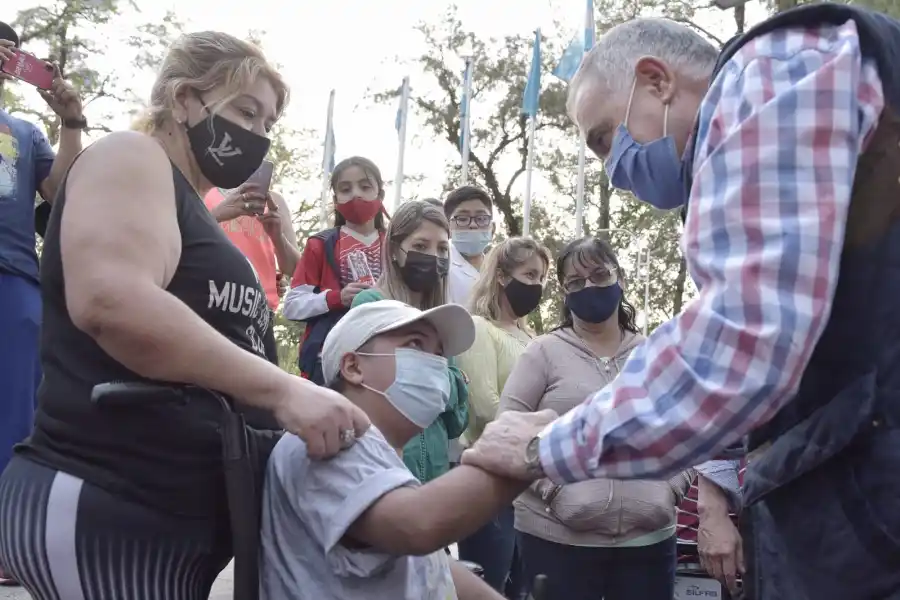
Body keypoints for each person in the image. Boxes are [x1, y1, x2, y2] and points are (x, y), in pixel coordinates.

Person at [462, 6, 900, 600]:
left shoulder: (767, 77)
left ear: (656, 80)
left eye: (603, 138)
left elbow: (740, 347)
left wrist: (545, 446)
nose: (613, 172)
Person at [0, 31, 369, 600]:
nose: (258, 135)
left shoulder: (191, 211)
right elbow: (111, 300)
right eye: (246, 110)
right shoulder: (130, 155)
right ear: (184, 100)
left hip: (169, 533)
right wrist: (283, 391)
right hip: (108, 507)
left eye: (268, 124)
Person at [260, 299, 554, 599]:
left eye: (439, 353)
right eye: (415, 344)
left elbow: (430, 566)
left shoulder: (380, 452)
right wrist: (532, 450)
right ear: (353, 366)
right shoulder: (327, 436)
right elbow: (416, 526)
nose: (437, 364)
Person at [498, 236, 691, 600]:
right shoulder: (543, 353)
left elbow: (690, 429)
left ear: (620, 279)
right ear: (564, 293)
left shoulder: (656, 354)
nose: (588, 287)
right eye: (575, 282)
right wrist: (553, 489)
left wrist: (669, 490)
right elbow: (508, 431)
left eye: (600, 275)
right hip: (554, 540)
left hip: (648, 543)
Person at [0, 23, 85, 585]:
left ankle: (8, 544)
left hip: (13, 281)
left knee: (16, 411)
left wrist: (72, 121)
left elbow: (65, 188)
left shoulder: (23, 131)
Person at [454, 236, 550, 595]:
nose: (536, 285)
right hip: (491, 485)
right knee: (490, 585)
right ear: (501, 277)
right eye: (529, 274)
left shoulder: (531, 338)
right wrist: (540, 442)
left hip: (532, 484)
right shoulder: (480, 329)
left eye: (541, 277)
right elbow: (483, 406)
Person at [351, 200, 469, 483]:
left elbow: (457, 419)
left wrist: (448, 384)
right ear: (394, 250)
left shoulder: (443, 319)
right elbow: (384, 385)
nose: (433, 256)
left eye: (442, 249)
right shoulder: (370, 303)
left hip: (437, 470)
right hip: (385, 466)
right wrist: (452, 381)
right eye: (420, 246)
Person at [283, 156, 387, 384]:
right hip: (329, 357)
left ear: (380, 194)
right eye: (345, 189)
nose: (356, 195)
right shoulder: (320, 244)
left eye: (365, 186)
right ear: (335, 199)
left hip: (386, 352)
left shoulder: (396, 245)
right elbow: (292, 306)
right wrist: (337, 298)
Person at [445, 185, 494, 306]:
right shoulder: (440, 266)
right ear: (447, 226)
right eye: (462, 219)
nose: (473, 225)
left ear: (492, 227)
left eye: (481, 218)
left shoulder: (498, 268)